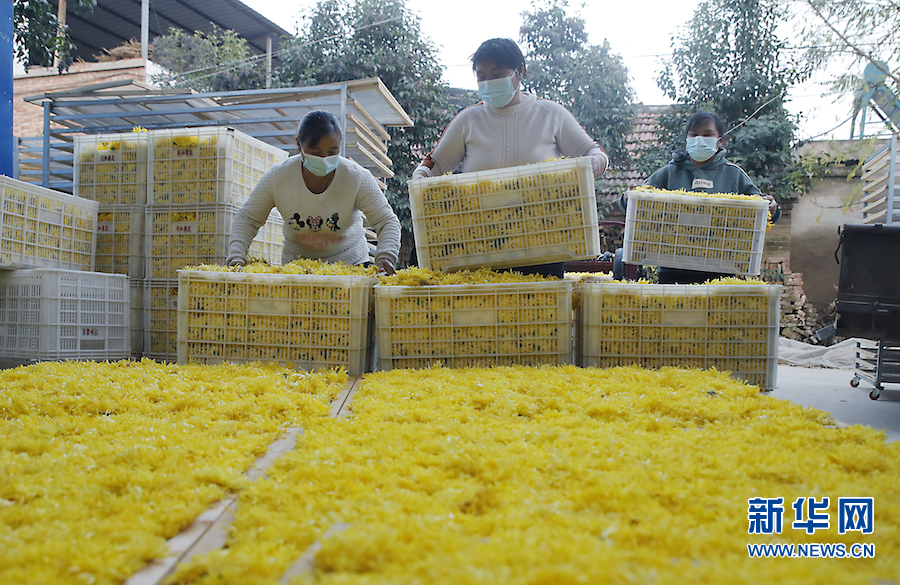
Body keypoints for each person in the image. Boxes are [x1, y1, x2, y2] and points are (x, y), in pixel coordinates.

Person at [411, 38, 609, 279]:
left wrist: (594, 165)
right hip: (479, 249)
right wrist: (420, 175)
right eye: (482, 76)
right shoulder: (468, 120)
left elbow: (593, 152)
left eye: (497, 74)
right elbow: (436, 163)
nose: (488, 82)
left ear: (520, 71)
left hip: (543, 247)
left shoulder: (550, 114)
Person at [227, 110, 401, 274]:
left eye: (333, 151)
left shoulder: (356, 177)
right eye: (316, 153)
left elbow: (386, 221)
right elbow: (248, 218)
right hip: (297, 271)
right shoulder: (278, 177)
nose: (324, 159)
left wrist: (386, 256)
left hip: (351, 269)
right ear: (299, 145)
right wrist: (236, 257)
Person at [621, 111, 781, 284]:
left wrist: (773, 208)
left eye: (707, 134)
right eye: (694, 134)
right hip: (672, 268)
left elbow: (764, 209)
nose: (699, 139)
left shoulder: (733, 175)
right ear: (687, 139)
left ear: (719, 141)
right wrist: (628, 197)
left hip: (721, 268)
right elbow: (634, 202)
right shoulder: (669, 173)